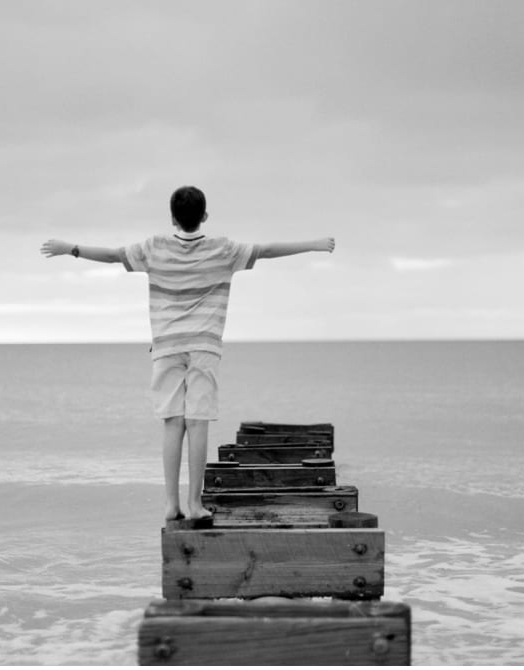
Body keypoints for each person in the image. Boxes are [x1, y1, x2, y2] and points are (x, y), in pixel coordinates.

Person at [40, 186, 334, 524]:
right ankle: (194, 505)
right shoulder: (223, 249)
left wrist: (70, 249)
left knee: (172, 422)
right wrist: (312, 245)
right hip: (204, 346)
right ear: (204, 216)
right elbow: (265, 250)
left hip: (166, 346)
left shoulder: (154, 248)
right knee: (197, 422)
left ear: (172, 218)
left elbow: (111, 255)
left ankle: (171, 503)